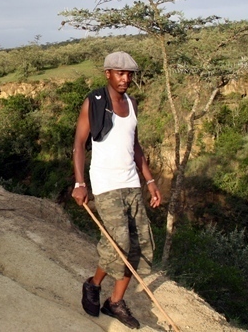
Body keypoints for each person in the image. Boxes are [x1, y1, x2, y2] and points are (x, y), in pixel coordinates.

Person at [71, 51, 161, 329]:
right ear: (107, 74)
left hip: (131, 183)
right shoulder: (94, 102)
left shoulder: (132, 103)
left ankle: (115, 302)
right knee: (118, 243)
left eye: (129, 74)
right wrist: (79, 183)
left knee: (140, 244)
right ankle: (93, 283)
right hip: (106, 184)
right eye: (120, 73)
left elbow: (135, 147)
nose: (126, 79)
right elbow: (78, 144)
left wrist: (150, 181)